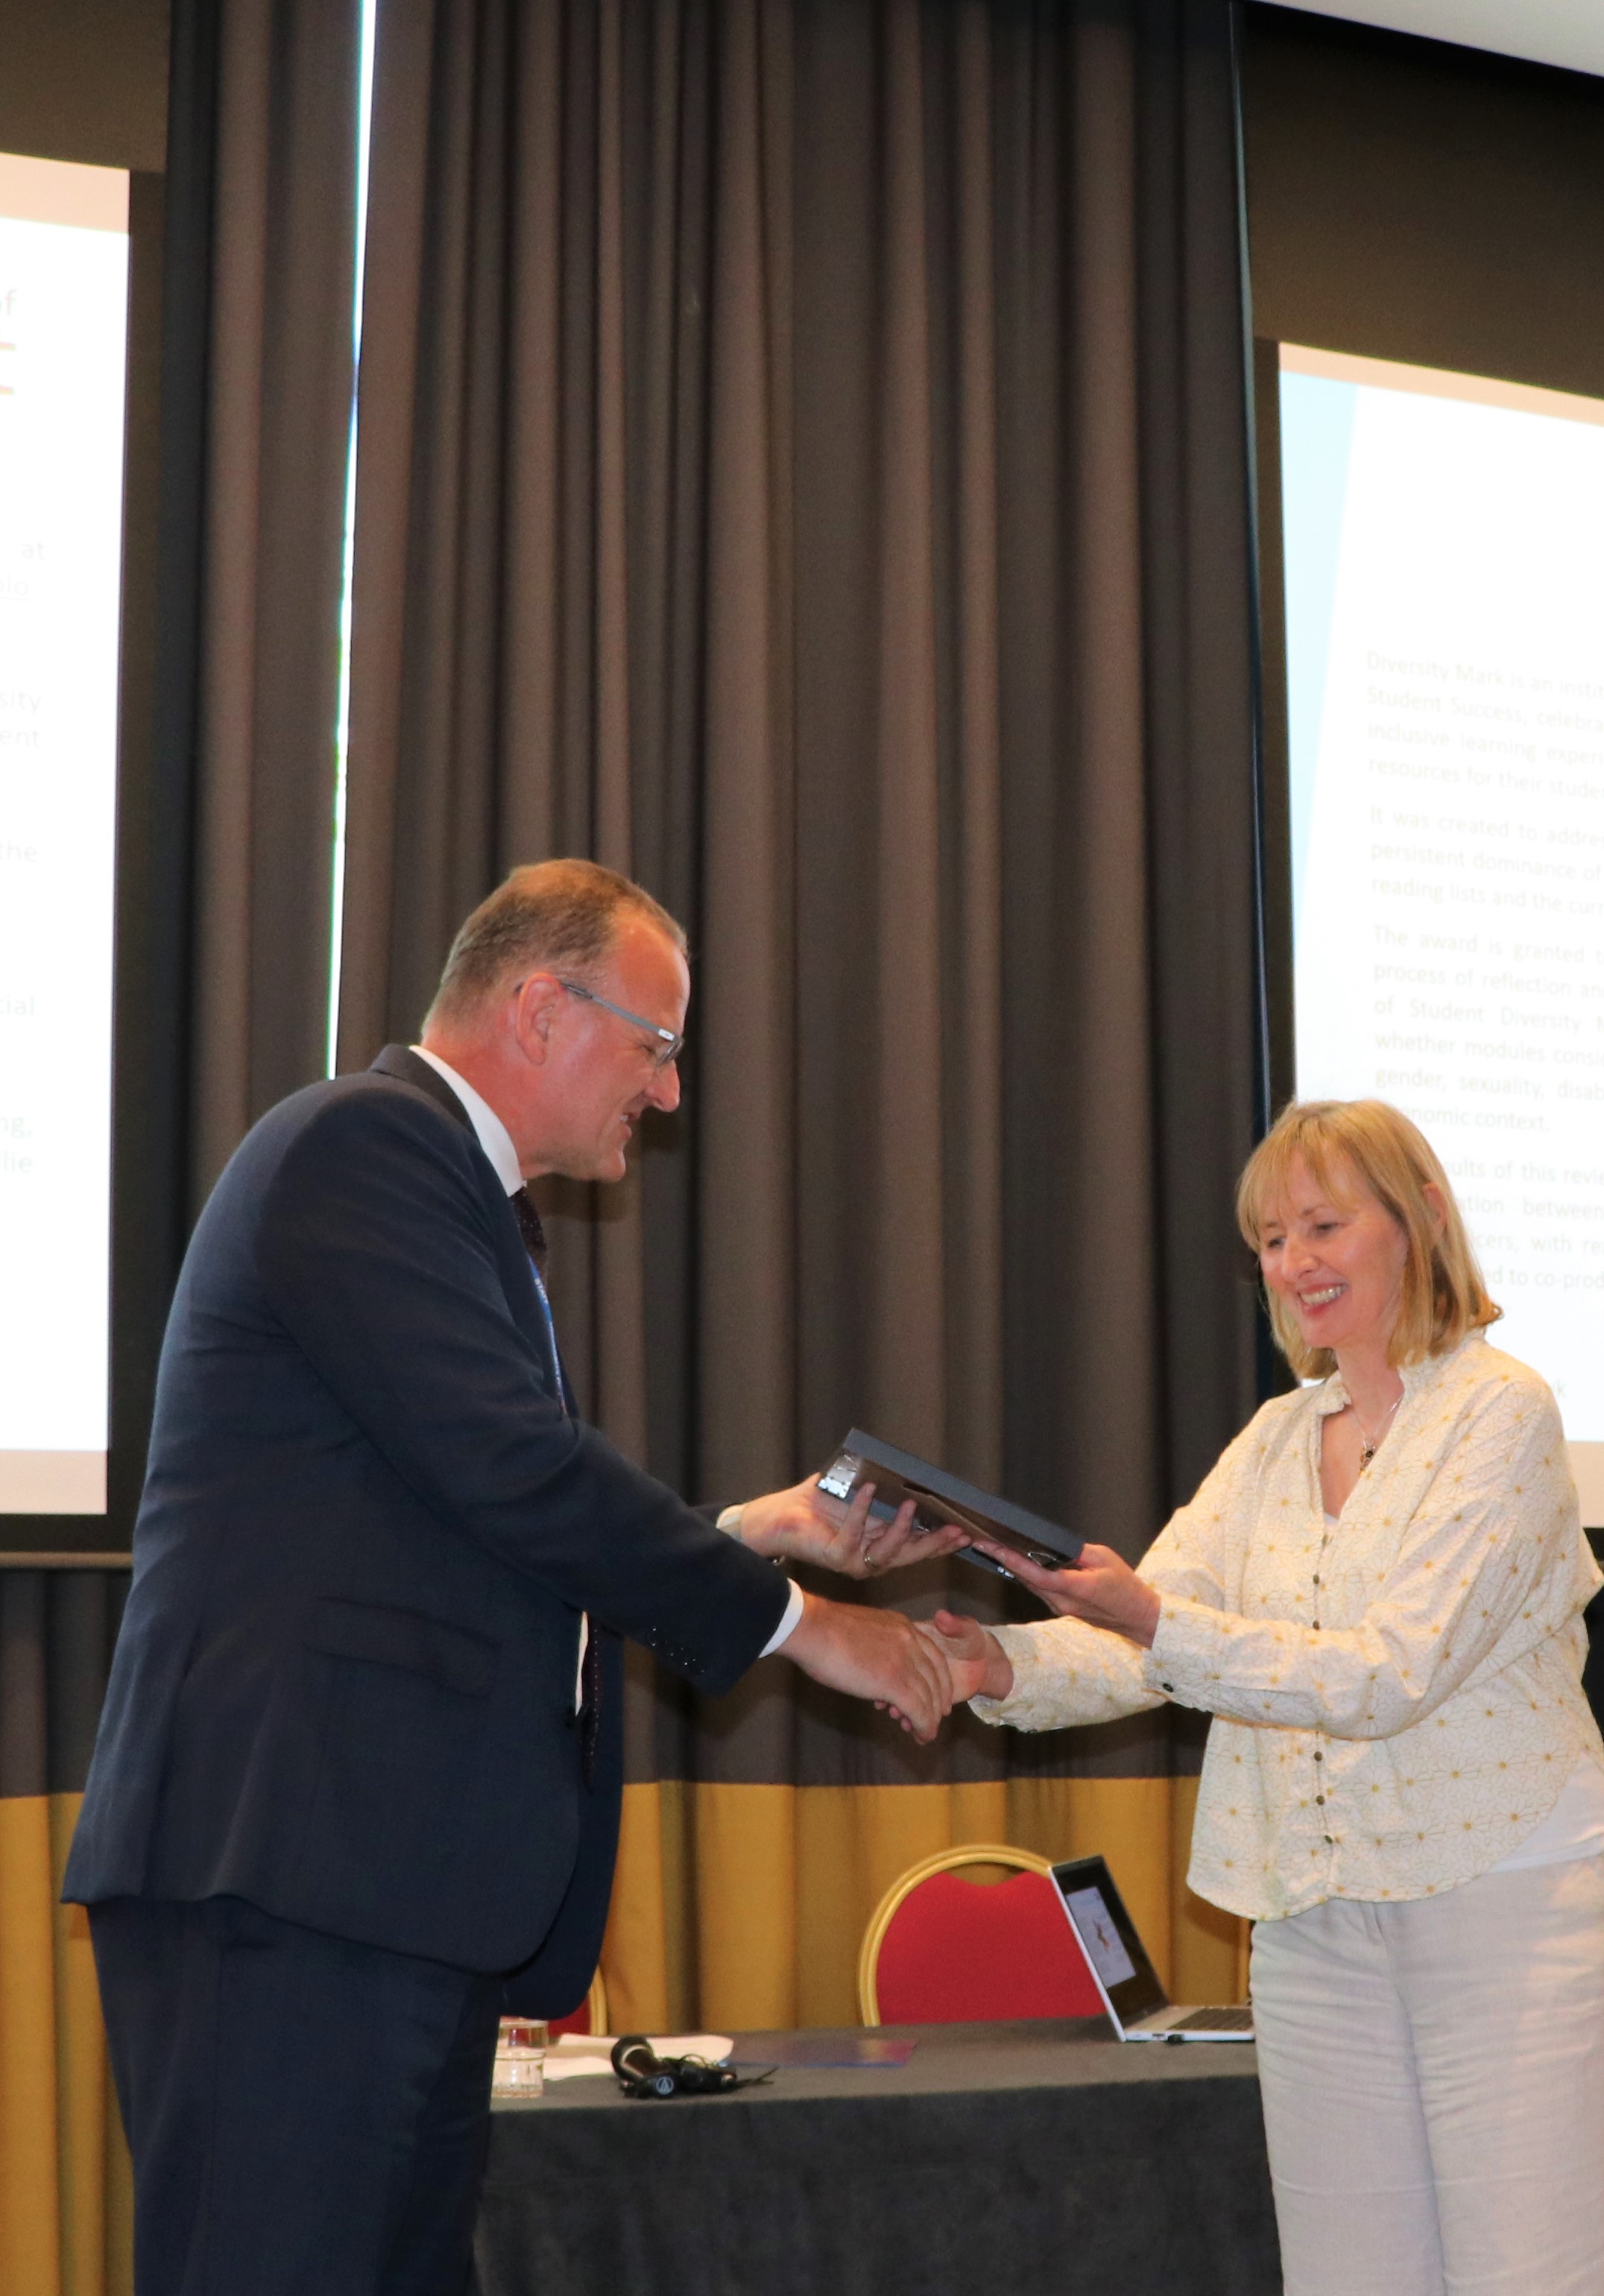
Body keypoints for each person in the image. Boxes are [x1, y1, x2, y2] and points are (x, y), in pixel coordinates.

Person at [63, 858, 965, 2295]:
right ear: (543, 1010)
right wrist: (804, 1628)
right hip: (288, 1884)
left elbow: (468, 1535)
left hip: (377, 1897)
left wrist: (753, 1531)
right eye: (657, 1045)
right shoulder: (363, 1146)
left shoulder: (445, 1191)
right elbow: (513, 1471)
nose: (670, 1090)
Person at [932, 1098, 1604, 2296]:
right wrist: (990, 1667)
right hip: (1314, 1925)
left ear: (1419, 1221)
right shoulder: (1274, 1438)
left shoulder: (1501, 1412)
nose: (1292, 1261)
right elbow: (1153, 1634)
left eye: (1323, 1226)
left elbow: (1387, 1670)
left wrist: (1149, 1618)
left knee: (1534, 2275)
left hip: (1506, 1911)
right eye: (1271, 1238)